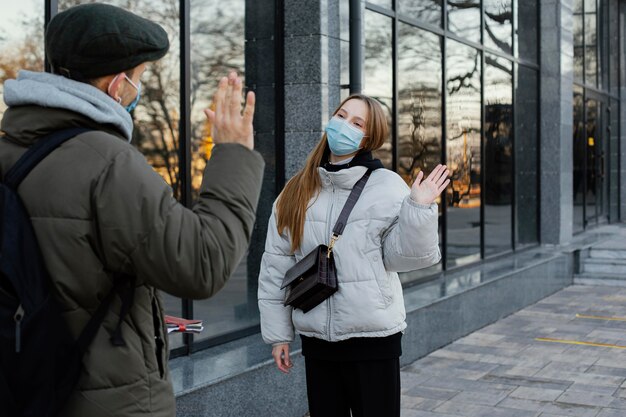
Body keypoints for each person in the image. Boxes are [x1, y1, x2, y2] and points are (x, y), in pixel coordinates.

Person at [0, 3, 264, 417]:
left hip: (25, 385)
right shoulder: (108, 162)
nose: (136, 93)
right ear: (117, 85)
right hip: (107, 399)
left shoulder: (9, 148)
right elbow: (201, 262)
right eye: (139, 80)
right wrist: (232, 155)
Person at [258, 94, 449, 417]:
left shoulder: (387, 186)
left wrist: (418, 209)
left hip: (373, 340)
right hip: (318, 341)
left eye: (357, 123)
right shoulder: (296, 190)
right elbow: (276, 264)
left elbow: (409, 258)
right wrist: (279, 336)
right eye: (341, 115)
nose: (344, 125)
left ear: (368, 137)